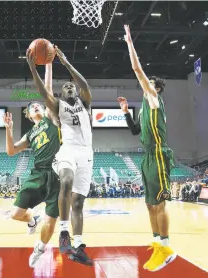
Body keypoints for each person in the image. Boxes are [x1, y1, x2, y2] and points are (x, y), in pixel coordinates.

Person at [117, 25, 177, 272]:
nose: (146, 83)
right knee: (150, 204)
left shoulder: (153, 98)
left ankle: (167, 248)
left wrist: (130, 44)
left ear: (157, 88)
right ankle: (156, 242)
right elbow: (134, 132)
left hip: (160, 156)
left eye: (150, 82)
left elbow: (137, 69)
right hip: (147, 158)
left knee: (160, 204)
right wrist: (124, 114)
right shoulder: (143, 108)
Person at [26, 47, 93, 266]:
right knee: (66, 180)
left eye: (72, 86)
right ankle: (64, 232)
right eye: (66, 87)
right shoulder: (58, 107)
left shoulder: (86, 104)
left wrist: (66, 62)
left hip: (87, 154)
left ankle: (79, 245)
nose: (70, 87)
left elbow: (84, 84)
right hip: (68, 150)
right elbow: (43, 92)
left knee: (79, 203)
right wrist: (32, 68)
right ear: (62, 94)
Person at [4, 64, 61, 268]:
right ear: (28, 115)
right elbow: (11, 151)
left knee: (51, 219)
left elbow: (46, 88)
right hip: (38, 174)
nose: (36, 106)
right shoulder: (30, 134)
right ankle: (31, 220)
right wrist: (9, 130)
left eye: (39, 104)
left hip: (57, 174)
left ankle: (40, 247)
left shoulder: (51, 118)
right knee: (15, 214)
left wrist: (48, 63)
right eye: (32, 107)